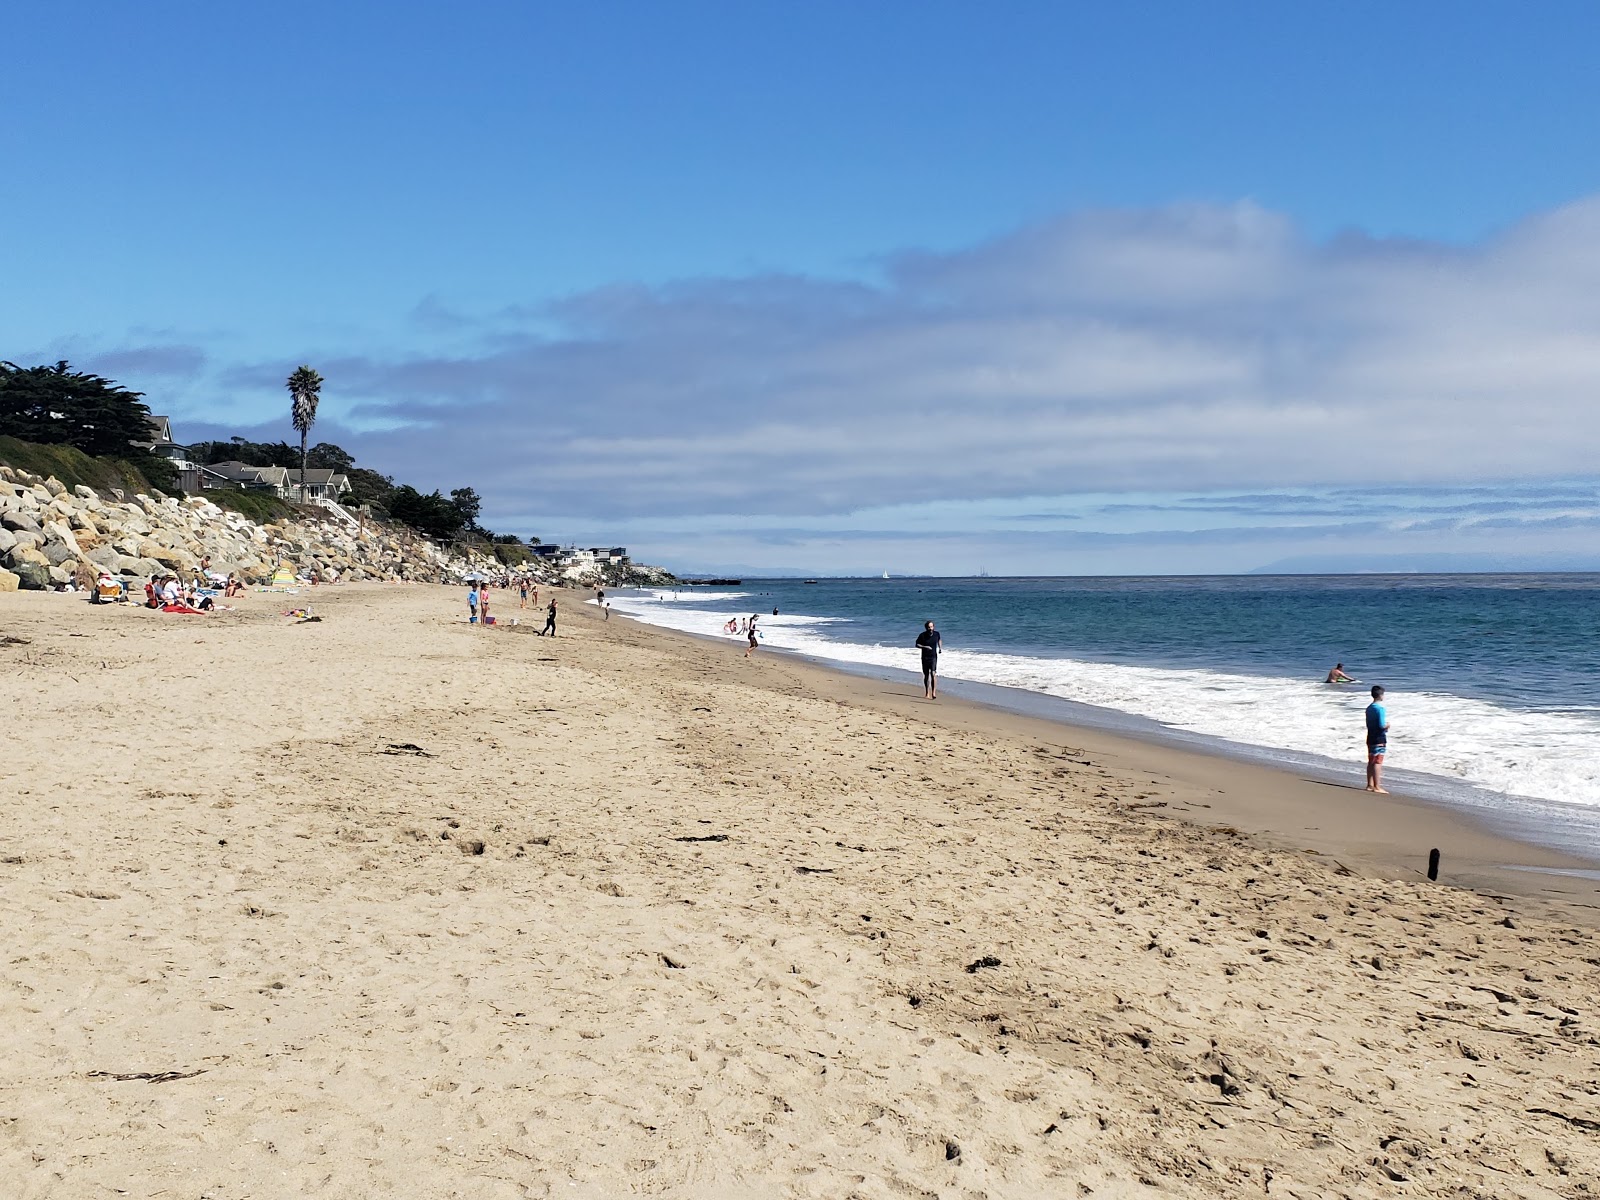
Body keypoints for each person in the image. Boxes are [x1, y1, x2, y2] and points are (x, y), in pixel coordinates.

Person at [1365, 685, 1390, 793]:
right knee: (1377, 762)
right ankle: (1377, 786)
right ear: (1380, 695)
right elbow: (1381, 724)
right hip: (1379, 737)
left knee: (1371, 760)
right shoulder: (1380, 709)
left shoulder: (1369, 708)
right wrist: (1387, 725)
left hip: (1370, 735)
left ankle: (1369, 784)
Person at [915, 620, 943, 699]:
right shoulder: (922, 635)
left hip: (933, 657)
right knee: (926, 675)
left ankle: (933, 693)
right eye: (929, 627)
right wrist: (925, 647)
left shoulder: (936, 634)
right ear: (926, 628)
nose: (930, 628)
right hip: (925, 657)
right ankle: (927, 693)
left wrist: (940, 647)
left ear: (933, 627)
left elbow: (939, 640)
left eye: (931, 627)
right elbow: (917, 644)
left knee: (933, 674)